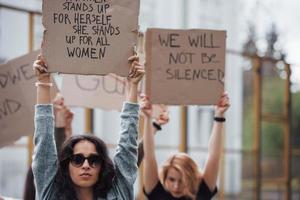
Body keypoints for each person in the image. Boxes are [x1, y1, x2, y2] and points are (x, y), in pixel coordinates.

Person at [32, 54, 144, 200]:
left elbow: (127, 148)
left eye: (94, 160)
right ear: (66, 166)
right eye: (77, 159)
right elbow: (44, 143)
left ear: (102, 167)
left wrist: (133, 85)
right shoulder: (51, 195)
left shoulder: (118, 195)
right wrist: (43, 83)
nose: (86, 165)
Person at [141, 92, 230, 200]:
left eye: (182, 180)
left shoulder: (202, 191)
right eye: (172, 179)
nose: (176, 186)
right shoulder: (156, 191)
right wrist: (147, 118)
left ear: (191, 178)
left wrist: (219, 115)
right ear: (165, 177)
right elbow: (149, 157)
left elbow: (214, 157)